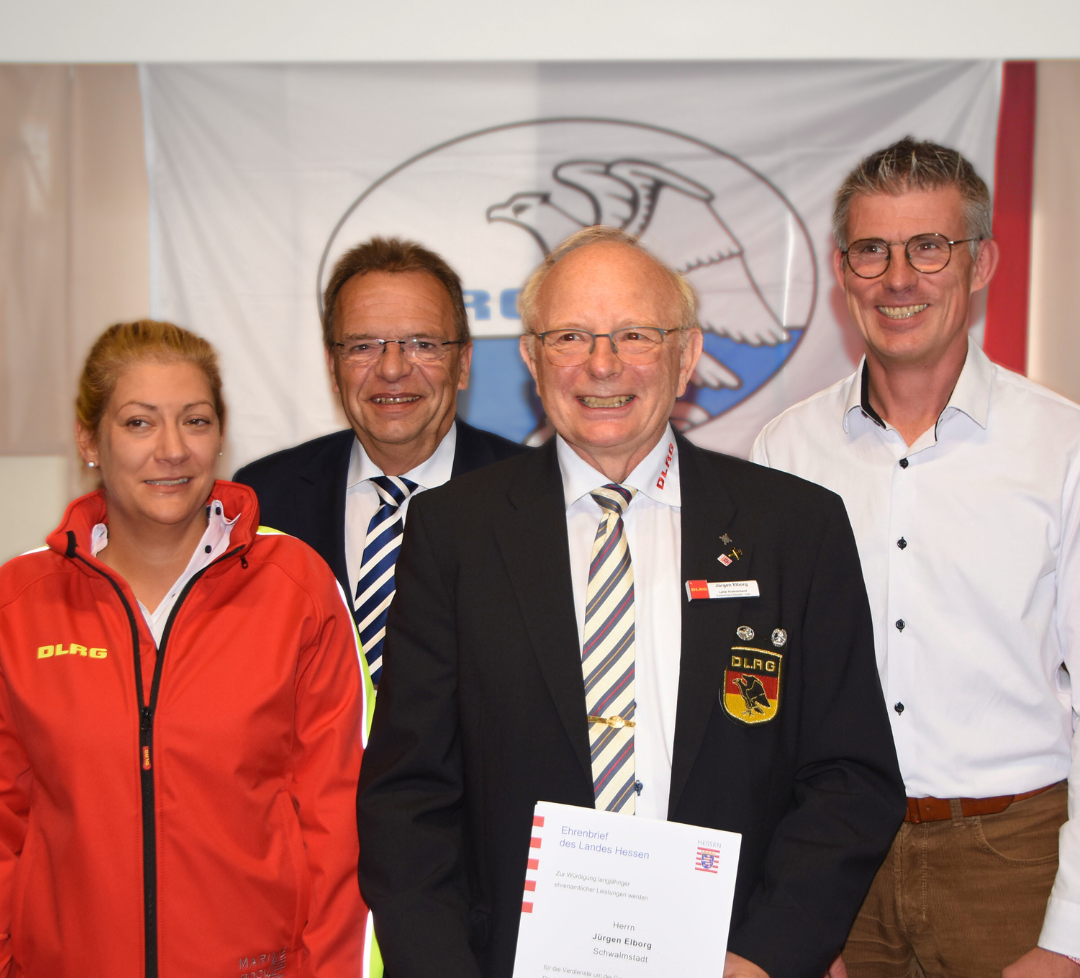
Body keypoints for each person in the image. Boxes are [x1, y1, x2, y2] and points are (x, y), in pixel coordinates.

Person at [357, 226, 905, 978]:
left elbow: (851, 779)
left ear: (687, 355)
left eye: (636, 335)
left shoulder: (794, 529)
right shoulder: (454, 532)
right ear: (531, 358)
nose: (603, 364)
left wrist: (768, 956)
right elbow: (409, 794)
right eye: (570, 336)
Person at [752, 137, 1080, 976]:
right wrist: (785, 919)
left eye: (929, 247)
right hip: (835, 862)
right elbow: (762, 703)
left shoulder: (1061, 446)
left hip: (1012, 860)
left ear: (981, 263)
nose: (899, 278)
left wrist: (1069, 935)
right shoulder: (784, 451)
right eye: (873, 250)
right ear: (843, 272)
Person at [0, 321, 366, 977]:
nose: (171, 450)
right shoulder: (20, 604)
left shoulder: (296, 588)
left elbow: (338, 827)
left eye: (195, 421)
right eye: (139, 423)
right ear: (89, 440)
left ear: (220, 436)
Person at [235, 236, 522, 686]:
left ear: (463, 363)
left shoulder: (534, 496)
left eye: (422, 343)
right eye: (363, 346)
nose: (392, 369)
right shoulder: (265, 498)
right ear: (332, 366)